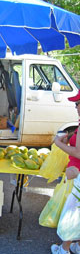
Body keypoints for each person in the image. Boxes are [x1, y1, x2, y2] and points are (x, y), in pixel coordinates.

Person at [51, 90, 80, 254]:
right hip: (77, 172)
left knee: (72, 214)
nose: (75, 107)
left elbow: (78, 152)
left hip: (77, 173)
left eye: (77, 103)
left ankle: (64, 249)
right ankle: (77, 246)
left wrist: (58, 143)